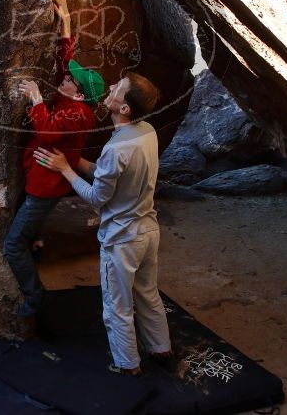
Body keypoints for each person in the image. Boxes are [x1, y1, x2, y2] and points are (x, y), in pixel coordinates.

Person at [33, 72, 172, 375]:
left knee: (117, 306)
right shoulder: (146, 131)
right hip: (148, 231)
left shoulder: (116, 148)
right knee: (147, 293)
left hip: (122, 240)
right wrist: (75, 160)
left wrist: (65, 170)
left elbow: (97, 197)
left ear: (125, 109)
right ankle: (161, 348)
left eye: (118, 89)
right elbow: (110, 173)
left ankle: (127, 364)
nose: (110, 88)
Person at [3, 0, 105, 318]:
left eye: (71, 80)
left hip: (44, 187)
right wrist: (66, 22)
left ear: (79, 93)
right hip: (38, 177)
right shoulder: (71, 98)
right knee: (28, 231)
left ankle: (35, 299)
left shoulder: (79, 115)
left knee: (12, 245)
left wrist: (35, 98)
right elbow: (65, 62)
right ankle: (37, 244)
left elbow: (46, 131)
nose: (65, 77)